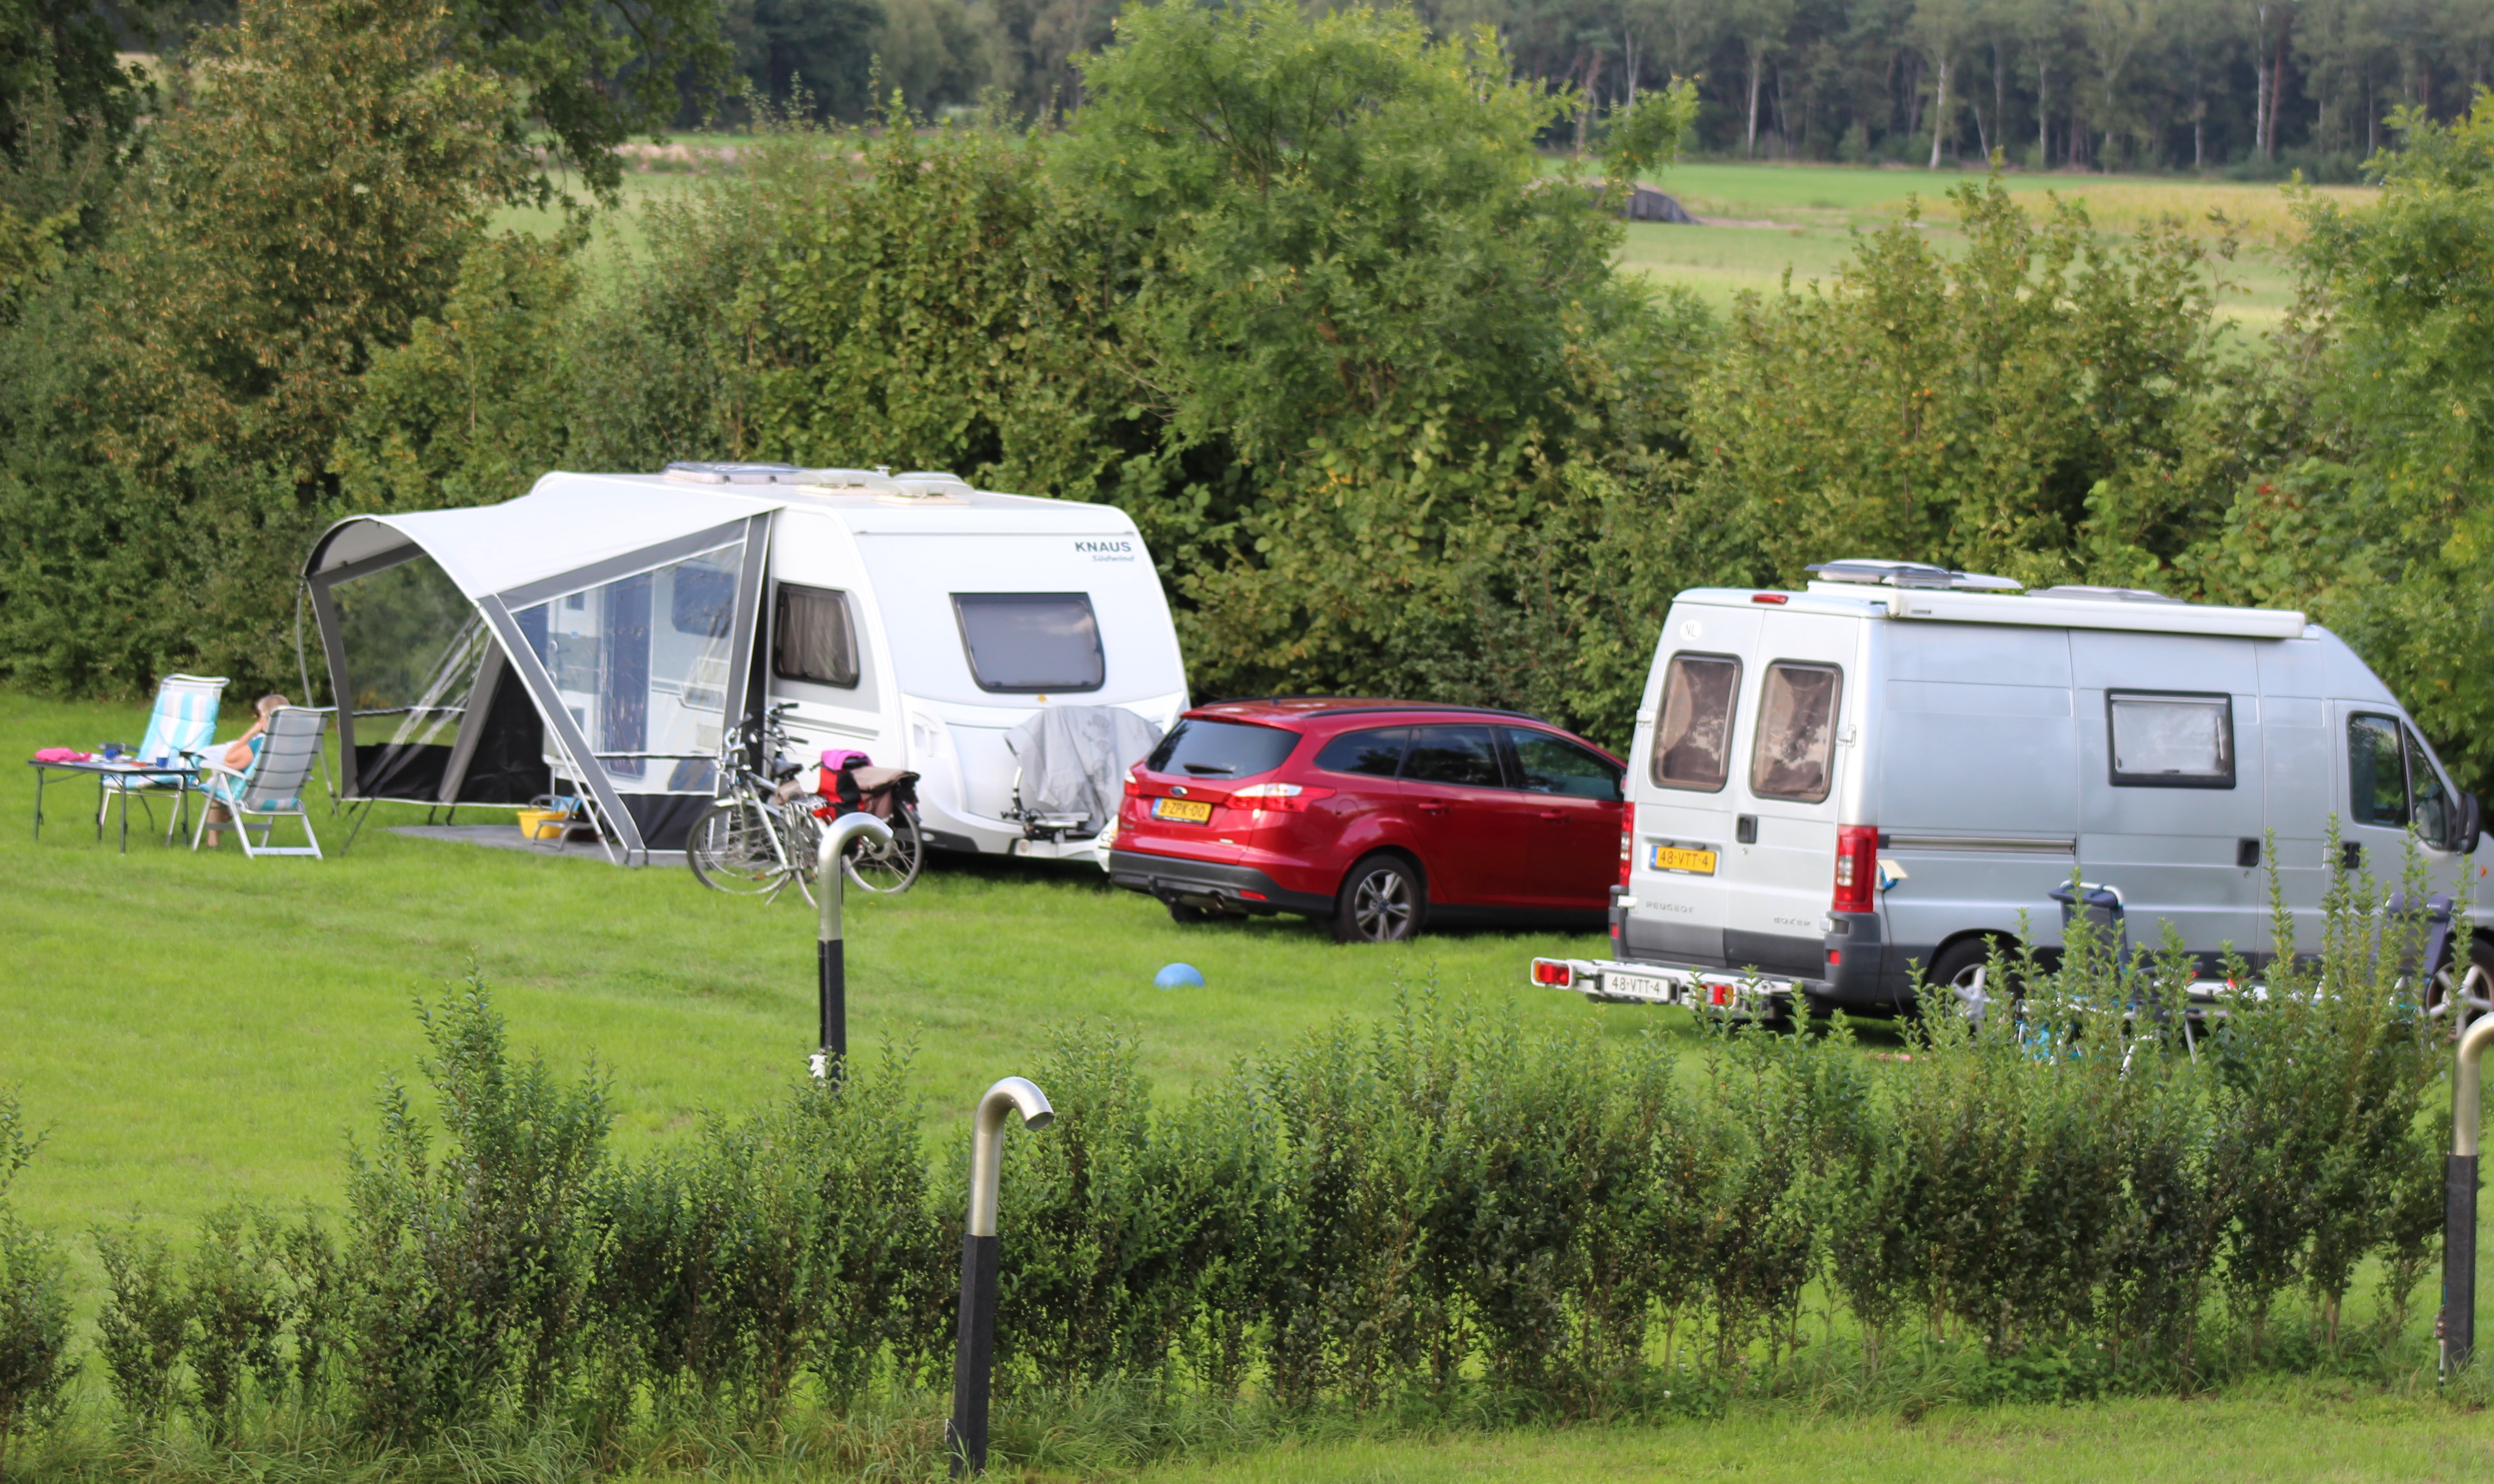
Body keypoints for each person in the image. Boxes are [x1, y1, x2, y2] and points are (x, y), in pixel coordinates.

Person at [202, 694, 286, 848]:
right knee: (222, 782)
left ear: (264, 719)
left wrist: (252, 732)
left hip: (253, 796)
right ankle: (224, 818)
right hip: (285, 795)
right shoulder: (294, 744)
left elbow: (229, 760)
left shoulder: (261, 743)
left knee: (215, 782)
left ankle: (213, 842)